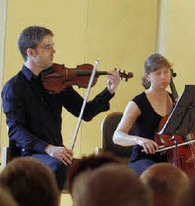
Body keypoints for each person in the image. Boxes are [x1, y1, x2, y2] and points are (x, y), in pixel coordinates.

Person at [2, 25, 122, 189]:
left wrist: (109, 90)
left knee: (95, 174)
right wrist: (48, 148)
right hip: (30, 155)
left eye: (53, 46)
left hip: (56, 153)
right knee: (56, 167)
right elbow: (15, 130)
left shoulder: (57, 79)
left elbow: (85, 112)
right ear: (31, 52)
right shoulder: (14, 87)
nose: (54, 51)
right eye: (48, 47)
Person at [113, 53, 173, 175]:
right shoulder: (138, 103)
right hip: (143, 159)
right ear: (148, 76)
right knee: (158, 176)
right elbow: (117, 136)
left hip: (169, 157)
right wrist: (138, 140)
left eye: (166, 72)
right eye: (158, 73)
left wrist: (185, 108)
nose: (164, 77)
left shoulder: (175, 101)